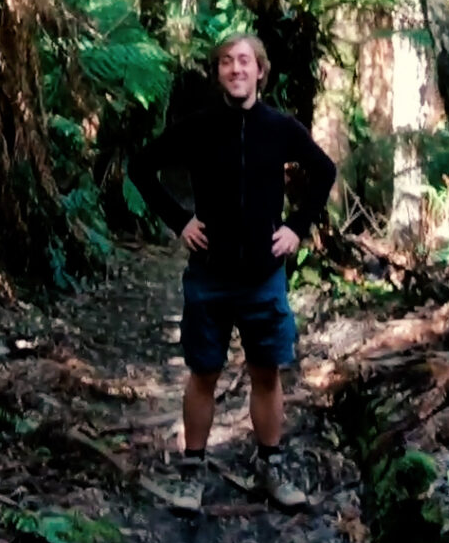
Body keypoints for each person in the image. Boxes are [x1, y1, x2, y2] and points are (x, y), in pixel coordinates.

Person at [128, 33, 336, 512]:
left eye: (244, 61)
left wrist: (297, 228)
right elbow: (141, 167)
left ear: (260, 70)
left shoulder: (280, 128)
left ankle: (269, 467)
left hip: (264, 275)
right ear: (218, 72)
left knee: (267, 372)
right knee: (204, 372)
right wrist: (179, 220)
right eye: (226, 62)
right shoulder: (198, 126)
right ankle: (192, 474)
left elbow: (324, 172)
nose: (236, 69)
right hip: (209, 274)